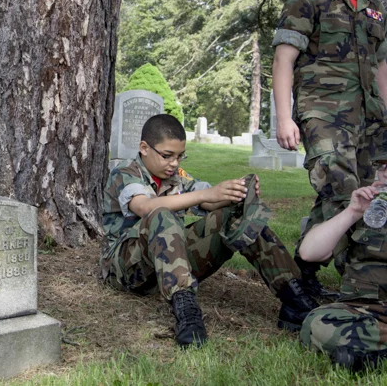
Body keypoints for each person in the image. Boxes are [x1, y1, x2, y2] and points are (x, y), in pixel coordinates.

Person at [100, 114, 316, 347]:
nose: (174, 163)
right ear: (144, 148)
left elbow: (209, 199)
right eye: (167, 156)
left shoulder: (176, 178)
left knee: (233, 215)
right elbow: (145, 207)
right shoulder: (125, 172)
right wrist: (206, 195)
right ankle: (187, 313)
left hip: (167, 266)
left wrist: (236, 191)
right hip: (127, 271)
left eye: (180, 156)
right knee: (161, 214)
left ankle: (294, 297)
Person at [272, 0, 387, 299]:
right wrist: (285, 117)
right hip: (324, 116)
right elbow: (283, 60)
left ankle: (302, 271)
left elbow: (382, 67)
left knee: (362, 195)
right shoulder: (309, 0)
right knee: (342, 190)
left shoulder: (374, 9)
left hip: (371, 119)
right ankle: (361, 282)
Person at [299, 185, 387, 371]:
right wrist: (353, 211)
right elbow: (309, 252)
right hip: (365, 312)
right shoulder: (365, 209)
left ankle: (370, 358)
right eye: (381, 166)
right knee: (316, 323)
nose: (385, 173)